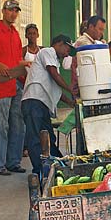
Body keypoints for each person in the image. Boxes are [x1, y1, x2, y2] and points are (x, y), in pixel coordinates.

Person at [0, 0, 29, 176]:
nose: (13, 14)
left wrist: (26, 63)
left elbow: (16, 59)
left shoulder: (15, 34)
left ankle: (13, 161)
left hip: (15, 82)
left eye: (16, 11)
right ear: (3, 11)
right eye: (10, 10)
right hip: (0, 84)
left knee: (18, 123)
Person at [21, 34, 75, 174]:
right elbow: (54, 75)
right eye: (67, 49)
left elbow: (56, 89)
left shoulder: (54, 62)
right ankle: (40, 170)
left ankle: (56, 166)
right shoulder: (47, 52)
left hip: (42, 104)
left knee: (49, 138)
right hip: (33, 101)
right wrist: (70, 89)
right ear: (59, 44)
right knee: (35, 138)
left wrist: (70, 101)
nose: (67, 54)